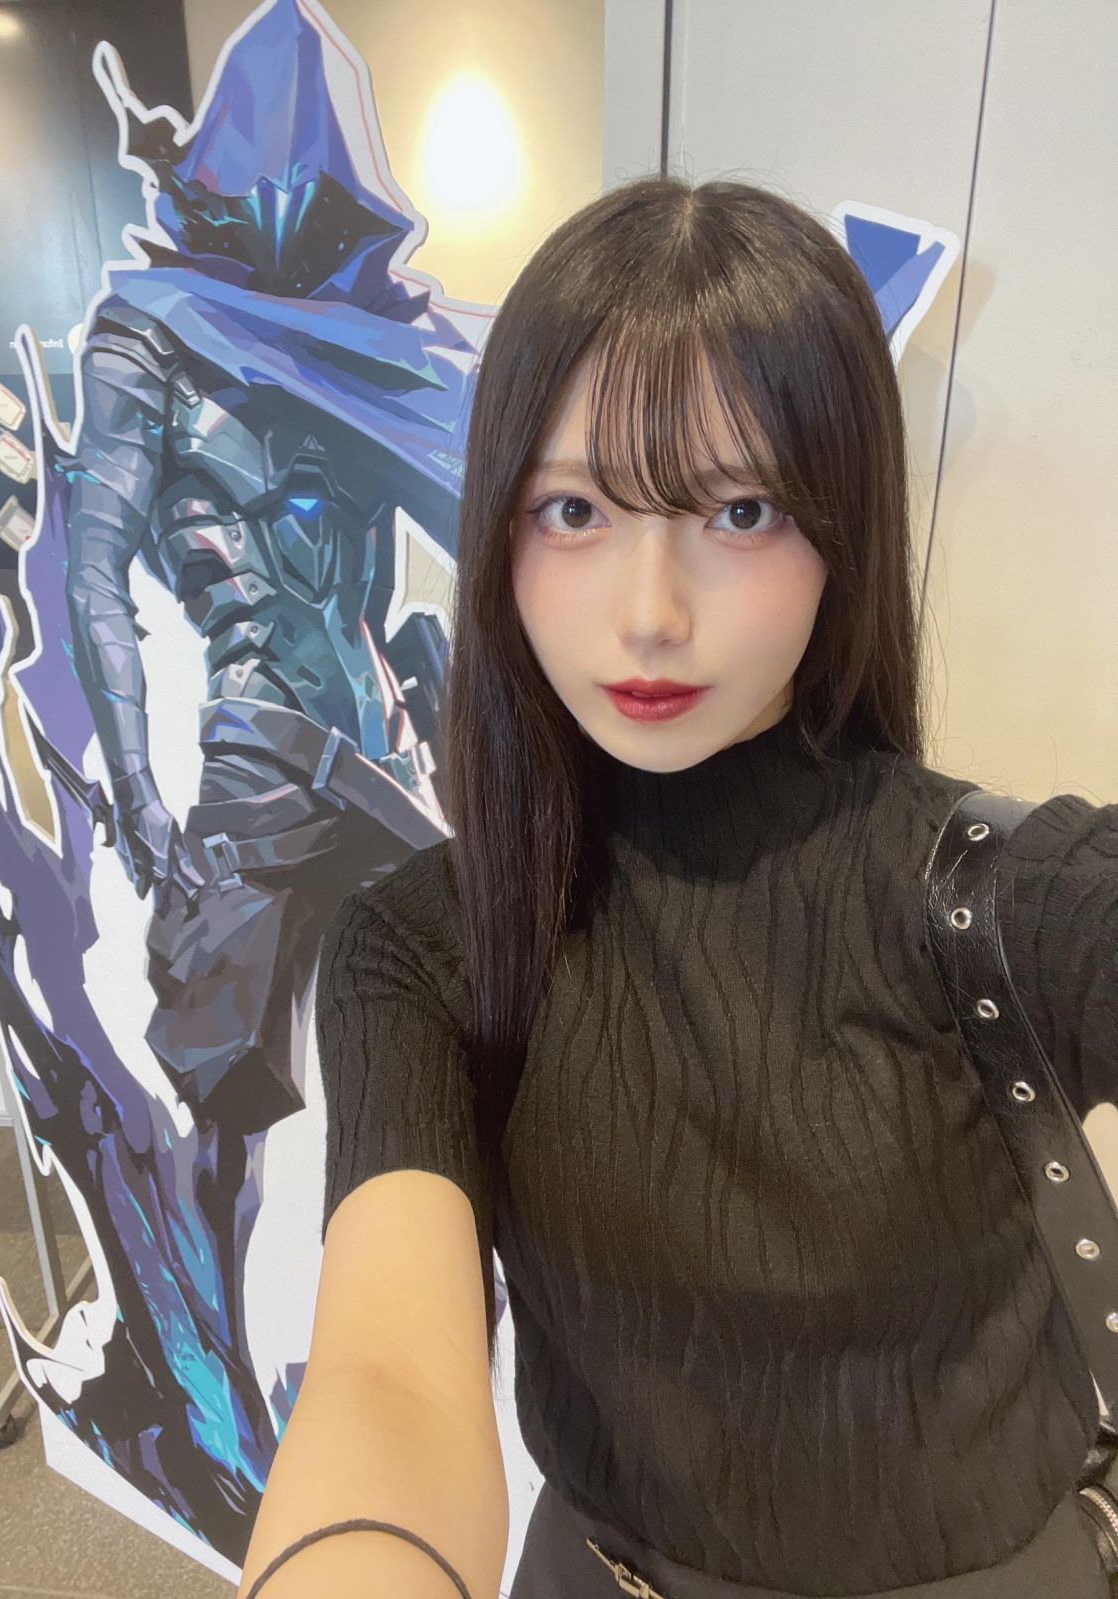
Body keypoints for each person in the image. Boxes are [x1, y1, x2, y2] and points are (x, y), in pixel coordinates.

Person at [236, 174, 1118, 1598]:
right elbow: (386, 1379)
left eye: (742, 509)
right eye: (575, 508)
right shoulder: (428, 947)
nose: (650, 611)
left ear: (845, 531)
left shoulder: (993, 895)